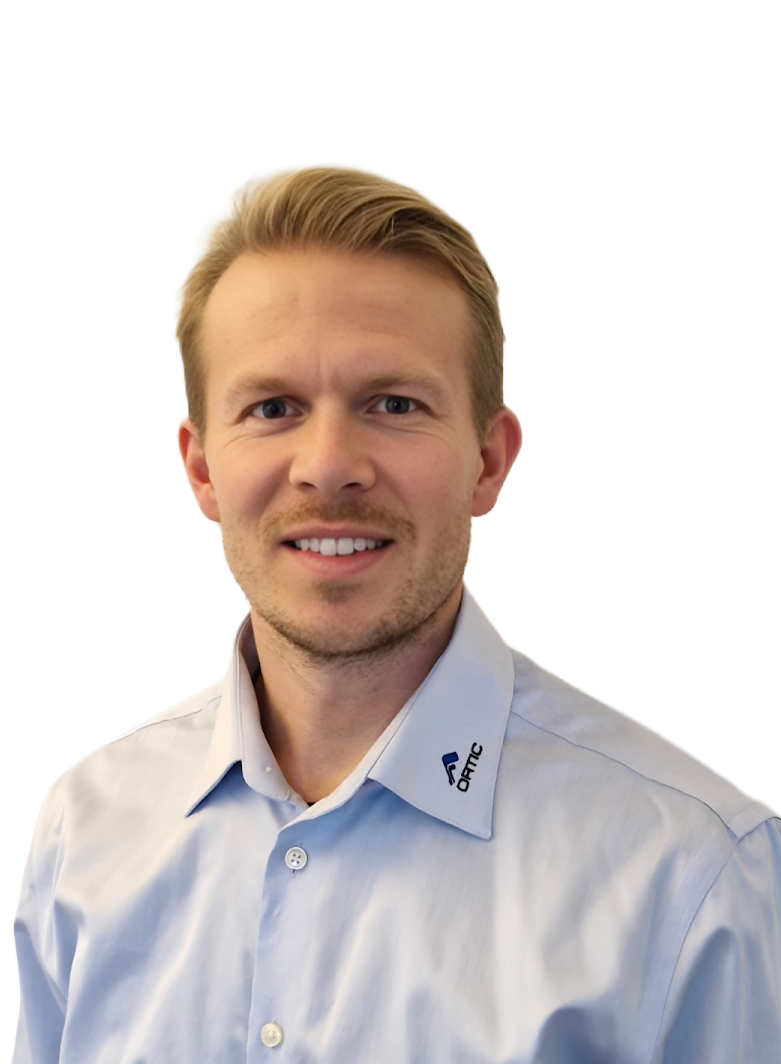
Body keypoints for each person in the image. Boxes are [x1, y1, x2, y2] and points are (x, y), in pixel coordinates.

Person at [13, 167, 781, 1063]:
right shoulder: (85, 834)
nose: (328, 465)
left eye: (392, 404)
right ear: (202, 470)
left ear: (487, 461)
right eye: (272, 408)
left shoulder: (692, 878)